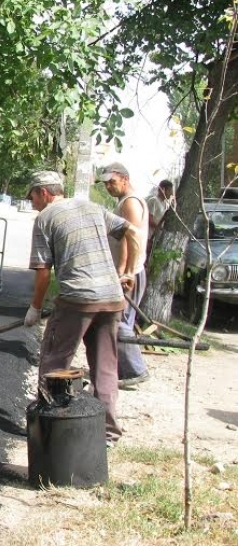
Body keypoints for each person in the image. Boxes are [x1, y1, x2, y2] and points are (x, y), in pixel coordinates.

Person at [23, 170, 141, 446]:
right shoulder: (92, 207)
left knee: (54, 360)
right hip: (112, 298)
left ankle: (48, 427)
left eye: (32, 196)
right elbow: (132, 232)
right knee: (105, 367)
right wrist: (130, 272)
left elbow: (42, 272)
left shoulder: (45, 218)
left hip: (78, 298)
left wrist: (35, 308)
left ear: (44, 192)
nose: (31, 203)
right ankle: (108, 434)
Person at [98, 162, 150, 388]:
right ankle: (124, 369)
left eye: (113, 182)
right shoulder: (124, 201)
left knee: (119, 321)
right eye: (106, 183)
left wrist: (124, 271)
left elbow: (131, 237)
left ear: (125, 180)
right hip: (127, 270)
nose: (109, 186)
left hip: (130, 272)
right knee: (120, 320)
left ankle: (135, 371)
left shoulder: (130, 202)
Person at [146, 179, 175, 255]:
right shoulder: (154, 201)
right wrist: (159, 228)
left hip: (158, 238)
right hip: (149, 237)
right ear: (163, 189)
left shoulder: (166, 204)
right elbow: (149, 219)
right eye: (169, 191)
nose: (171, 194)